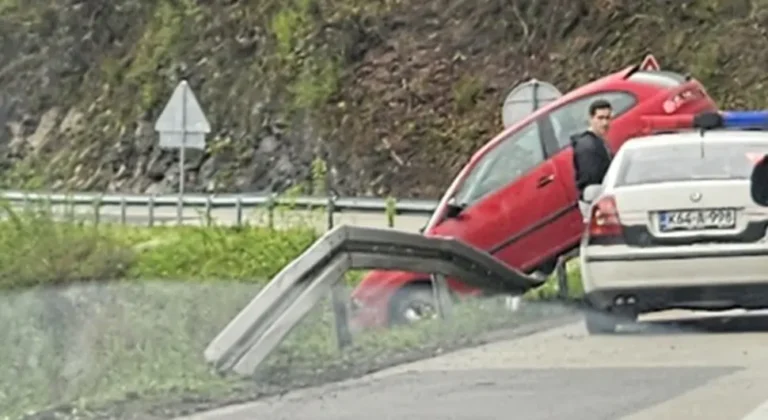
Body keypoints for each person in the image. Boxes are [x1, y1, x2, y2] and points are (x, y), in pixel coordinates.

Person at [571, 99, 613, 221]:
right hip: (594, 203)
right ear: (591, 119)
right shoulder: (588, 146)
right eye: (600, 118)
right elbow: (592, 182)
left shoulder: (596, 142)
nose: (605, 123)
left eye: (608, 118)